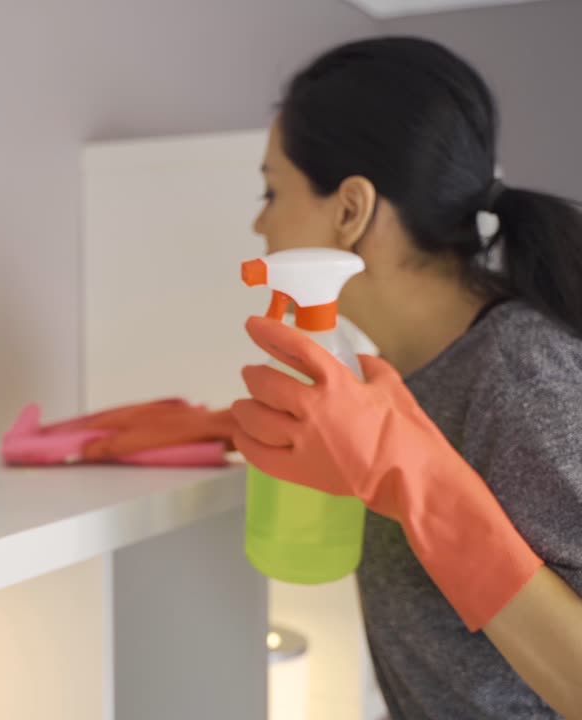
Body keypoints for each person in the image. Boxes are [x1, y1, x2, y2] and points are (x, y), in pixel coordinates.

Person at [232, 37, 582, 718]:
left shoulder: (516, 374)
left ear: (350, 210)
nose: (259, 221)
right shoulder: (404, 378)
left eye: (272, 190)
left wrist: (420, 484)